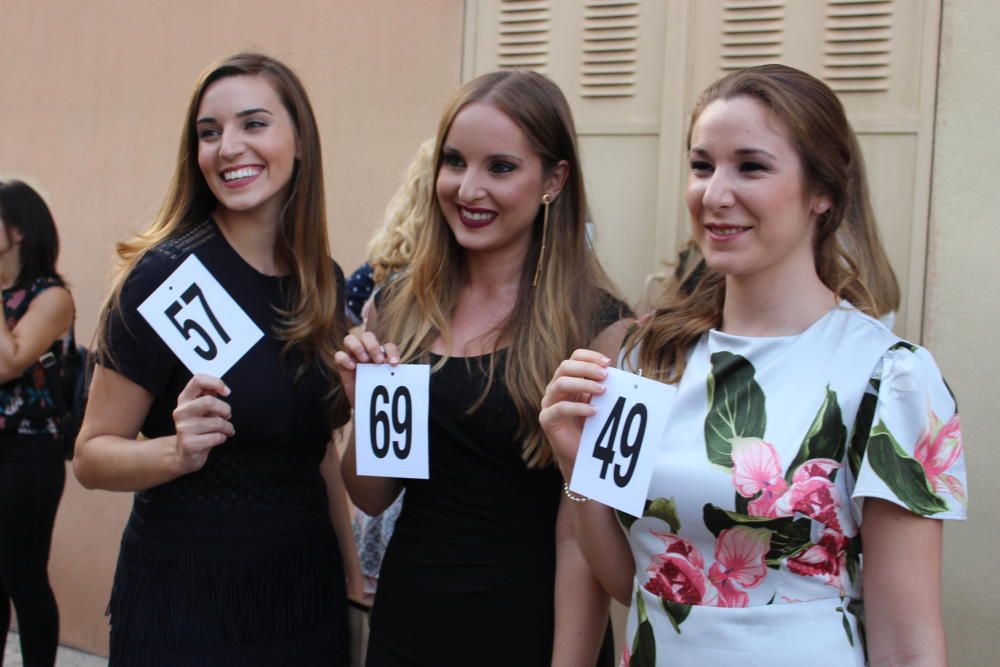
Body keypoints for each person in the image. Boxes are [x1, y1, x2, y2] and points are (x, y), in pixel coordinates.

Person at [541, 64, 966, 666]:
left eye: (751, 166)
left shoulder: (888, 377)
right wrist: (574, 463)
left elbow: (909, 642)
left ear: (822, 193)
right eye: (701, 165)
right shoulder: (643, 359)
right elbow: (631, 583)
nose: (715, 194)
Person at [335, 70, 632, 666]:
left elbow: (592, 539)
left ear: (553, 179)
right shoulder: (398, 307)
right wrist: (361, 408)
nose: (468, 189)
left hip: (534, 633)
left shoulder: (606, 328)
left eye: (500, 167)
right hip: (408, 625)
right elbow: (372, 496)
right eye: (453, 162)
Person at [72, 53, 361, 666]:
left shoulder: (324, 285)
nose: (228, 147)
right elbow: (91, 457)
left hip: (303, 597)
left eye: (253, 124)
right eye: (209, 132)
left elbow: (320, 457)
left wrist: (351, 582)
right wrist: (174, 452)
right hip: (188, 601)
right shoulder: (165, 277)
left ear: (300, 140)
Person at [0, 180, 75, 667]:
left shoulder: (51, 297)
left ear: (20, 229)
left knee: (23, 578)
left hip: (27, 458)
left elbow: (10, 360)